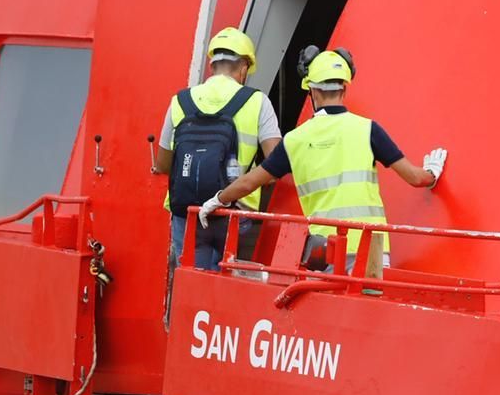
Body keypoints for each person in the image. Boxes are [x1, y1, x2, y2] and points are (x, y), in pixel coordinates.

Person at [198, 48, 446, 277]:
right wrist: (432, 173)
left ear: (313, 91)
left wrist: (217, 199)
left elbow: (250, 182)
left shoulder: (295, 140)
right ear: (344, 89)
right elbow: (416, 178)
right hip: (372, 250)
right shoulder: (367, 130)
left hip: (326, 250)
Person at [153, 27, 281, 271]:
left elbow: (162, 164)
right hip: (234, 212)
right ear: (244, 67)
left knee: (189, 281)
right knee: (224, 287)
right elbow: (276, 163)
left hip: (187, 211)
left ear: (212, 66)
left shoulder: (180, 100)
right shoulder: (257, 101)